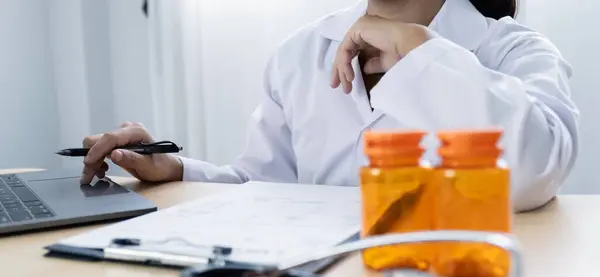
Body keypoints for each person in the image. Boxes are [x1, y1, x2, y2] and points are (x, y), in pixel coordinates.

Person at [81, 0, 579, 212]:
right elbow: (267, 187)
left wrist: (419, 51)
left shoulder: (514, 52)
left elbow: (532, 173)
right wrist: (175, 168)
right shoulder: (300, 52)